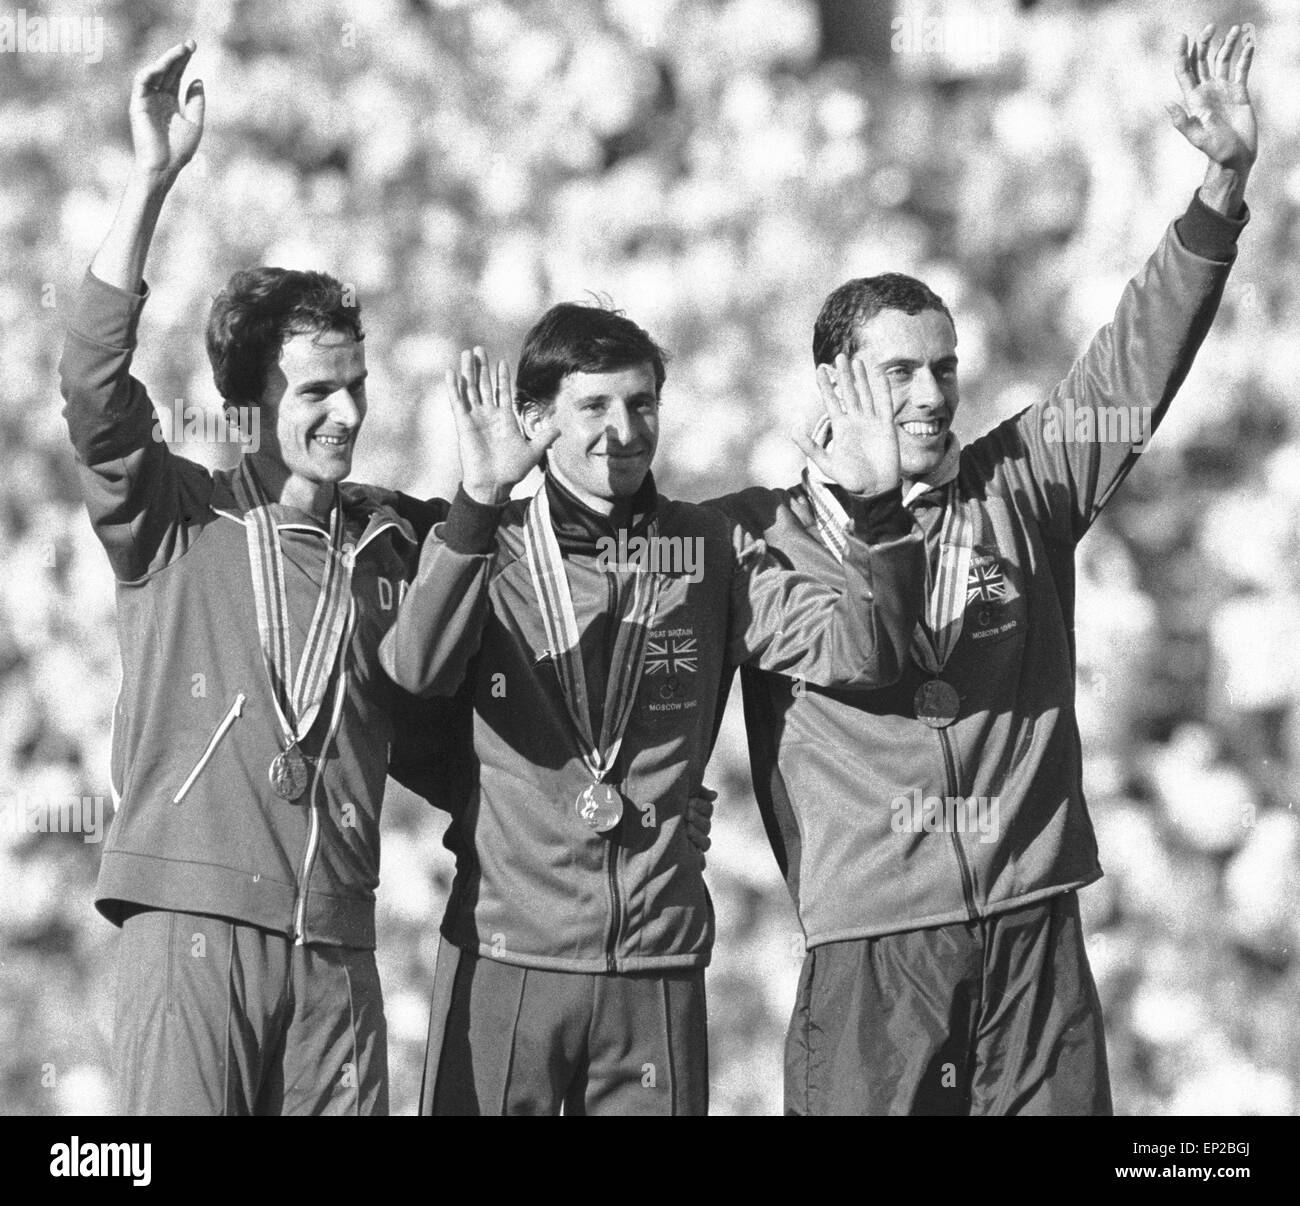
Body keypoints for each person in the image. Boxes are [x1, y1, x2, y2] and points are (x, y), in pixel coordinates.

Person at [706, 22, 1255, 1115]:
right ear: (832, 380)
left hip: (1032, 929)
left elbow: (1133, 366)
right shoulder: (757, 534)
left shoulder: (1022, 482)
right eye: (898, 372)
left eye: (944, 369)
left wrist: (1219, 187)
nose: (929, 395)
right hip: (876, 948)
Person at [379, 301, 926, 1115]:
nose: (623, 430)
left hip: (653, 965)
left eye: (641, 404)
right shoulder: (481, 545)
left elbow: (867, 652)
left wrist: (879, 513)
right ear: (536, 420)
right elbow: (415, 673)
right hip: (505, 952)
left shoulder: (708, 550)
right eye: (593, 406)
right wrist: (477, 501)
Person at [58, 39, 464, 1115]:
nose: (347, 415)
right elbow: (93, 392)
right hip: (189, 935)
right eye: (315, 393)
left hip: (337, 948)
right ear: (247, 408)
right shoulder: (178, 519)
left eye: (356, 386)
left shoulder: (390, 550)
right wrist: (149, 182)